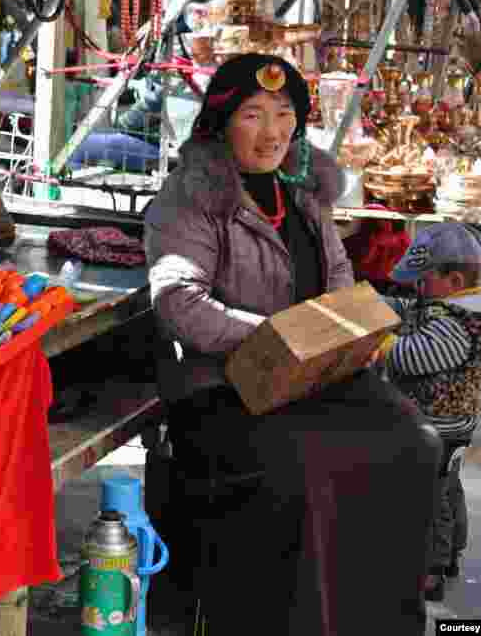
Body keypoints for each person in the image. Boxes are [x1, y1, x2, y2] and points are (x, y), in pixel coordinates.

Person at [143, 53, 441, 633]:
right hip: (225, 389)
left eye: (284, 113)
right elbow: (177, 301)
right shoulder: (192, 198)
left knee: (415, 444)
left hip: (316, 380)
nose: (272, 130)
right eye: (253, 114)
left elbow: (338, 282)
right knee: (301, 469)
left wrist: (340, 333)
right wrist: (279, 337)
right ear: (221, 123)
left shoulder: (304, 196)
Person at [379, 224, 481, 601]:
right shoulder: (458, 303)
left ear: (452, 280)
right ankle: (452, 552)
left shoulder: (457, 325)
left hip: (440, 423)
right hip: (453, 424)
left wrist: (384, 343)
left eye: (422, 281)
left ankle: (431, 571)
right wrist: (381, 305)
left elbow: (413, 356)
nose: (414, 289)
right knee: (448, 487)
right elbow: (417, 309)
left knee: (429, 495)